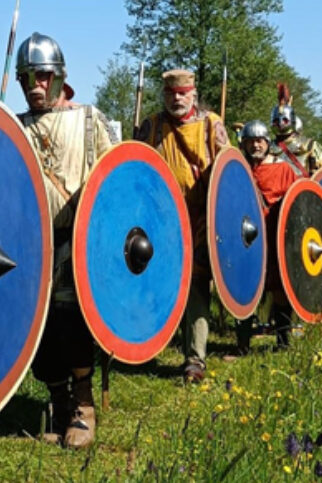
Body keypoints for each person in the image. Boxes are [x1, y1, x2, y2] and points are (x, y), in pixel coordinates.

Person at [15, 33, 116, 448]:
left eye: (42, 76)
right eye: (27, 78)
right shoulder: (14, 127)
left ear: (58, 78)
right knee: (36, 328)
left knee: (70, 322)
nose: (35, 85)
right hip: (31, 243)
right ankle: (57, 403)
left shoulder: (90, 120)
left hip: (76, 241)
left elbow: (116, 180)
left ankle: (83, 408)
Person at [135, 69, 229, 382]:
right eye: (171, 93)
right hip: (162, 223)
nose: (177, 98)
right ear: (164, 94)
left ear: (193, 93)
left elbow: (229, 174)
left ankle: (195, 360)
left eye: (183, 93)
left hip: (200, 219)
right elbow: (136, 169)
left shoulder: (210, 124)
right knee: (160, 284)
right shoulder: (152, 126)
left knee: (197, 287)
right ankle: (146, 345)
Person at [234, 120, 297, 351]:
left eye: (260, 141)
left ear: (268, 143)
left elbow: (298, 203)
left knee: (280, 288)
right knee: (245, 289)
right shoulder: (237, 168)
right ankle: (242, 343)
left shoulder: (283, 169)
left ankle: (283, 341)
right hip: (247, 241)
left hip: (276, 238)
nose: (255, 145)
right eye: (250, 141)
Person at [270, 83, 322, 177]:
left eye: (285, 120)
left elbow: (321, 176)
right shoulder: (268, 148)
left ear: (292, 121)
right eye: (276, 121)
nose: (280, 124)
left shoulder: (309, 145)